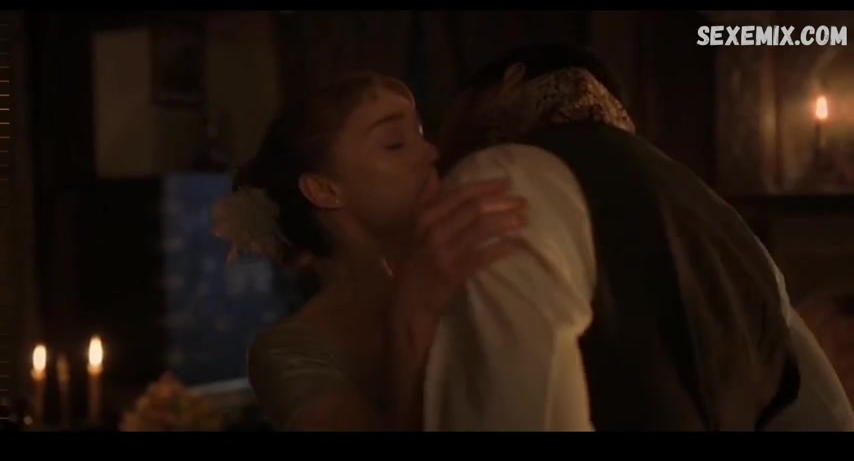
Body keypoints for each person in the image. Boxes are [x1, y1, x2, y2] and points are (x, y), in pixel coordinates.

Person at [426, 43, 853, 431]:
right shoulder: (720, 217)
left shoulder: (499, 182)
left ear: (512, 80)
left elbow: (513, 408)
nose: (435, 147)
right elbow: (826, 415)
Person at [211, 72, 527, 431]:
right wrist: (412, 317)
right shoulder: (288, 351)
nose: (431, 152)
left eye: (420, 134)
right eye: (395, 143)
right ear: (325, 190)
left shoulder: (473, 269)